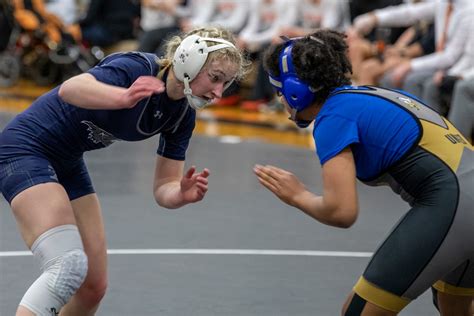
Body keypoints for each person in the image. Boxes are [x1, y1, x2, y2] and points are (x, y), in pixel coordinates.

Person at [0, 26, 249, 316]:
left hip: (66, 160)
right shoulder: (137, 68)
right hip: (25, 149)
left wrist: (180, 193)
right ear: (189, 60)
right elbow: (71, 90)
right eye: (216, 78)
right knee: (67, 266)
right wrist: (122, 97)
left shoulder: (182, 114)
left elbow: (164, 186)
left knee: (93, 286)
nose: (219, 92)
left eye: (226, 83)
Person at [255, 29, 474, 315]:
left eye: (280, 92)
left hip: (455, 205)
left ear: (296, 92)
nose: (281, 100)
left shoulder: (334, 116)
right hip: (463, 200)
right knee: (454, 307)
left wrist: (298, 195)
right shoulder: (373, 94)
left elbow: (342, 212)